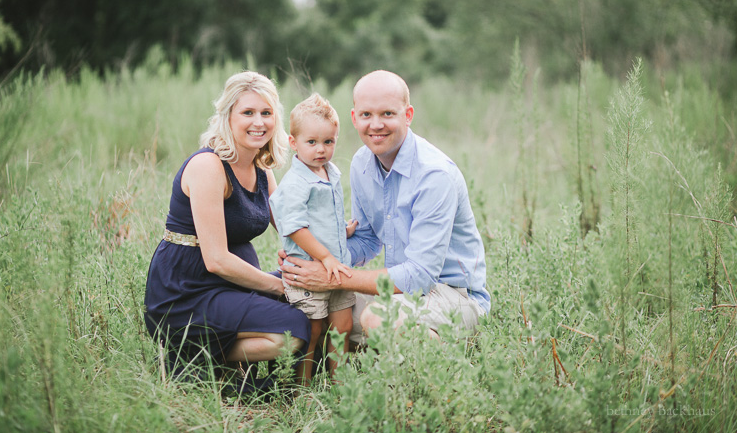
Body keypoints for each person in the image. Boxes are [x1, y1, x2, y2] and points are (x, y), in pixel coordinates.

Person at [280, 70, 491, 342]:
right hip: (402, 294)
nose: (376, 125)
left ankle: (443, 355)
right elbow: (367, 240)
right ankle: (384, 349)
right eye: (367, 115)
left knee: (378, 318)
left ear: (408, 115)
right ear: (355, 118)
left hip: (454, 297)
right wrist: (310, 259)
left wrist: (334, 278)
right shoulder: (361, 164)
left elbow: (420, 276)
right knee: (305, 304)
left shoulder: (435, 176)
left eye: (387, 114)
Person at [144, 71, 310, 384]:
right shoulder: (209, 166)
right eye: (248, 112)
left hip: (231, 286)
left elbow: (291, 227)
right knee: (290, 329)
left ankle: (220, 365)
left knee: (306, 306)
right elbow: (216, 259)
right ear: (227, 116)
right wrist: (279, 286)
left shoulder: (260, 167)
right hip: (186, 290)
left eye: (266, 113)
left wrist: (336, 242)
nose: (258, 122)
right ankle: (189, 358)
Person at [269, 93, 358, 384]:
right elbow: (295, 228)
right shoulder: (296, 181)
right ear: (293, 143)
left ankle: (339, 384)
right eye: (312, 142)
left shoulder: (330, 173)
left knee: (342, 327)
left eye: (328, 142)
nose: (321, 150)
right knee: (313, 330)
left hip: (338, 268)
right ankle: (302, 387)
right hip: (311, 268)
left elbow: (320, 217)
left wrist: (340, 230)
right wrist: (326, 256)